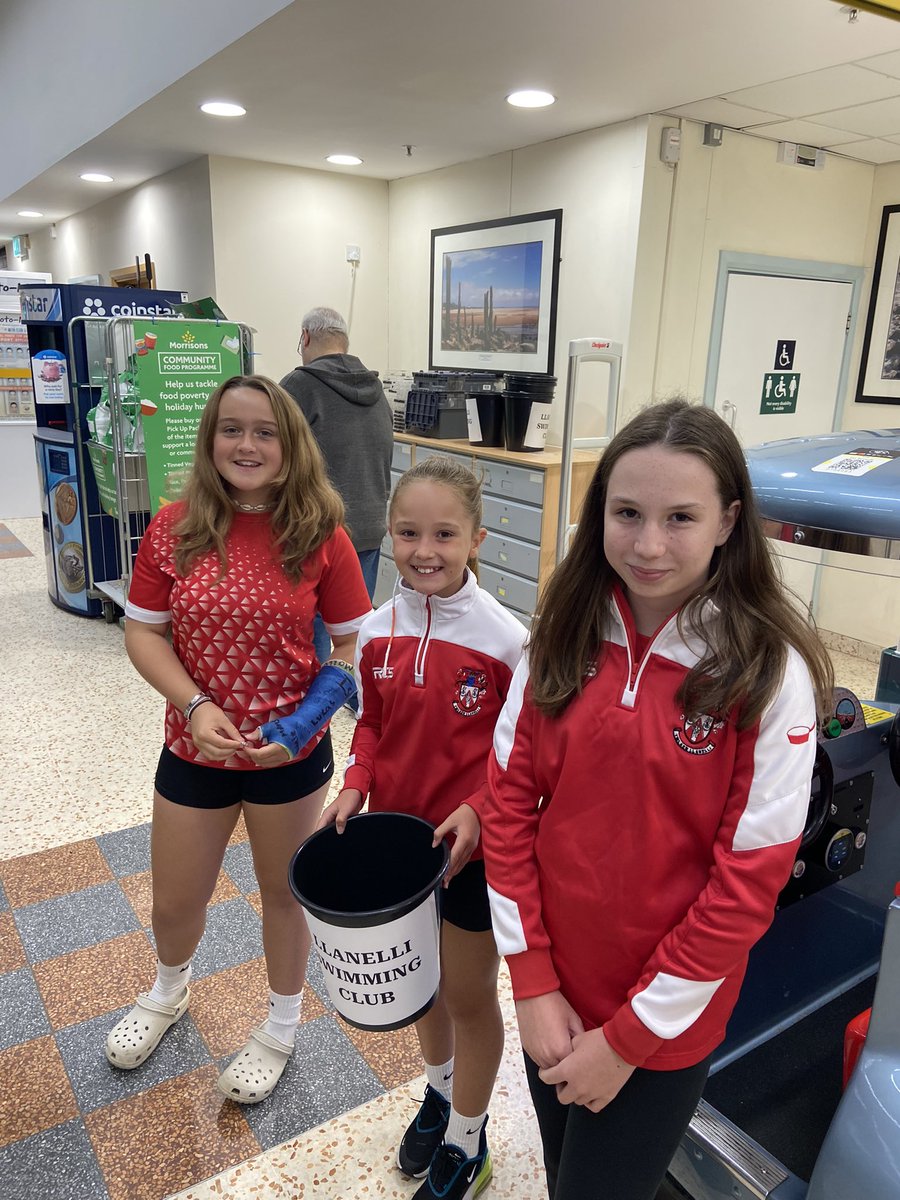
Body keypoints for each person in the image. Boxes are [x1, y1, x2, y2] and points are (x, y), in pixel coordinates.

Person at [481, 399, 835, 1200]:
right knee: (565, 1172)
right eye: (627, 513)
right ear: (598, 510)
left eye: (681, 517)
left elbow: (746, 889)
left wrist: (629, 1041)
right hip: (554, 1000)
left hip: (664, 1028)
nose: (647, 545)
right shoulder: (560, 635)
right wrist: (534, 984)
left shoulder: (766, 672)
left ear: (728, 522)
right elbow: (506, 810)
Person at [104, 375, 372, 1104]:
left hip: (289, 754)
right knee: (174, 901)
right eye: (231, 429)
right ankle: (169, 990)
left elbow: (352, 652)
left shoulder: (321, 533)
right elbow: (142, 631)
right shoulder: (175, 524)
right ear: (210, 439)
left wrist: (296, 728)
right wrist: (193, 705)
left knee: (284, 896)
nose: (246, 444)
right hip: (194, 746)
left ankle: (281, 1025)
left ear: (289, 447)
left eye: (264, 431)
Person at [317, 456, 527, 1200]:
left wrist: (476, 806)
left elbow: (515, 758)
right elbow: (372, 725)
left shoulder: (508, 642)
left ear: (475, 537)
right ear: (389, 534)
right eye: (408, 533)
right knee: (423, 993)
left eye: (444, 533)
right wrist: (356, 782)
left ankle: (470, 1141)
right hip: (398, 854)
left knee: (469, 998)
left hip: (474, 857)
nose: (424, 550)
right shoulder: (377, 631)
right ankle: (439, 1098)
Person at [280, 305, 393, 666]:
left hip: (315, 532)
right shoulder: (377, 389)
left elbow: (277, 460)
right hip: (369, 527)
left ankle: (316, 708)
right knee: (356, 627)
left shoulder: (298, 387)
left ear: (306, 337)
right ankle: (359, 698)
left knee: (309, 635)